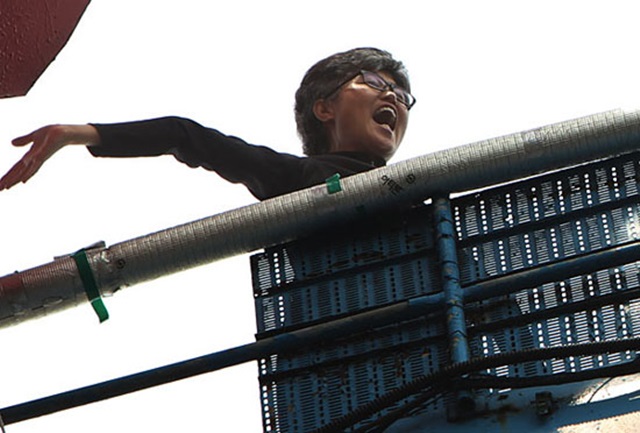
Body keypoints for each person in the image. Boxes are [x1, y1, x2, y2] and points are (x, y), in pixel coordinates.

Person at [0, 47, 415, 200]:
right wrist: (77, 134)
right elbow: (185, 136)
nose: (393, 96)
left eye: (402, 94)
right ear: (324, 109)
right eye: (374, 82)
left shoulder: (420, 186)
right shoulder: (302, 178)